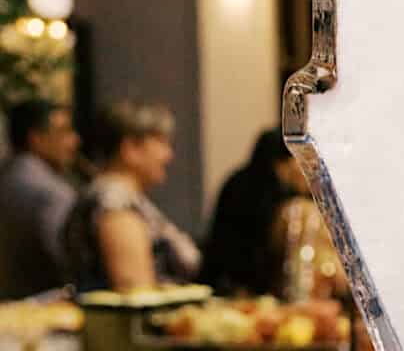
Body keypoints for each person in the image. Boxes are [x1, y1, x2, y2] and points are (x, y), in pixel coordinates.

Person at [63, 99, 200, 294]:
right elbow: (136, 292)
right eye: (161, 142)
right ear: (131, 148)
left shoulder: (113, 196)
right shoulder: (115, 203)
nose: (169, 155)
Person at [200, 128, 304, 297]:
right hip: (238, 290)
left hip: (219, 281)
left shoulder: (239, 180)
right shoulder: (266, 193)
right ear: (286, 161)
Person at [0, 99, 81, 299]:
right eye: (64, 132)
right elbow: (72, 263)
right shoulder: (51, 192)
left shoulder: (8, 175)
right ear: (36, 138)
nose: (74, 141)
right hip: (41, 307)